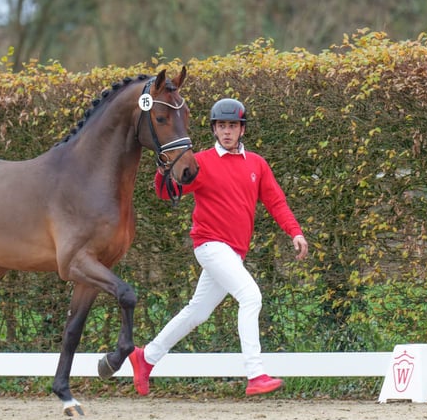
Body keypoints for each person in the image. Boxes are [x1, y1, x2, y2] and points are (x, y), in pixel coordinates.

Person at [129, 97, 309, 396]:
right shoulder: (200, 162)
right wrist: (162, 172)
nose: (227, 132)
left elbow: (276, 202)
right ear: (214, 129)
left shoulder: (257, 164)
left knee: (197, 312)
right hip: (210, 245)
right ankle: (256, 374)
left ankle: (146, 357)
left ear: (242, 130)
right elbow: (167, 193)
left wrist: (295, 232)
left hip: (234, 251)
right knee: (251, 296)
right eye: (222, 126)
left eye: (233, 126)